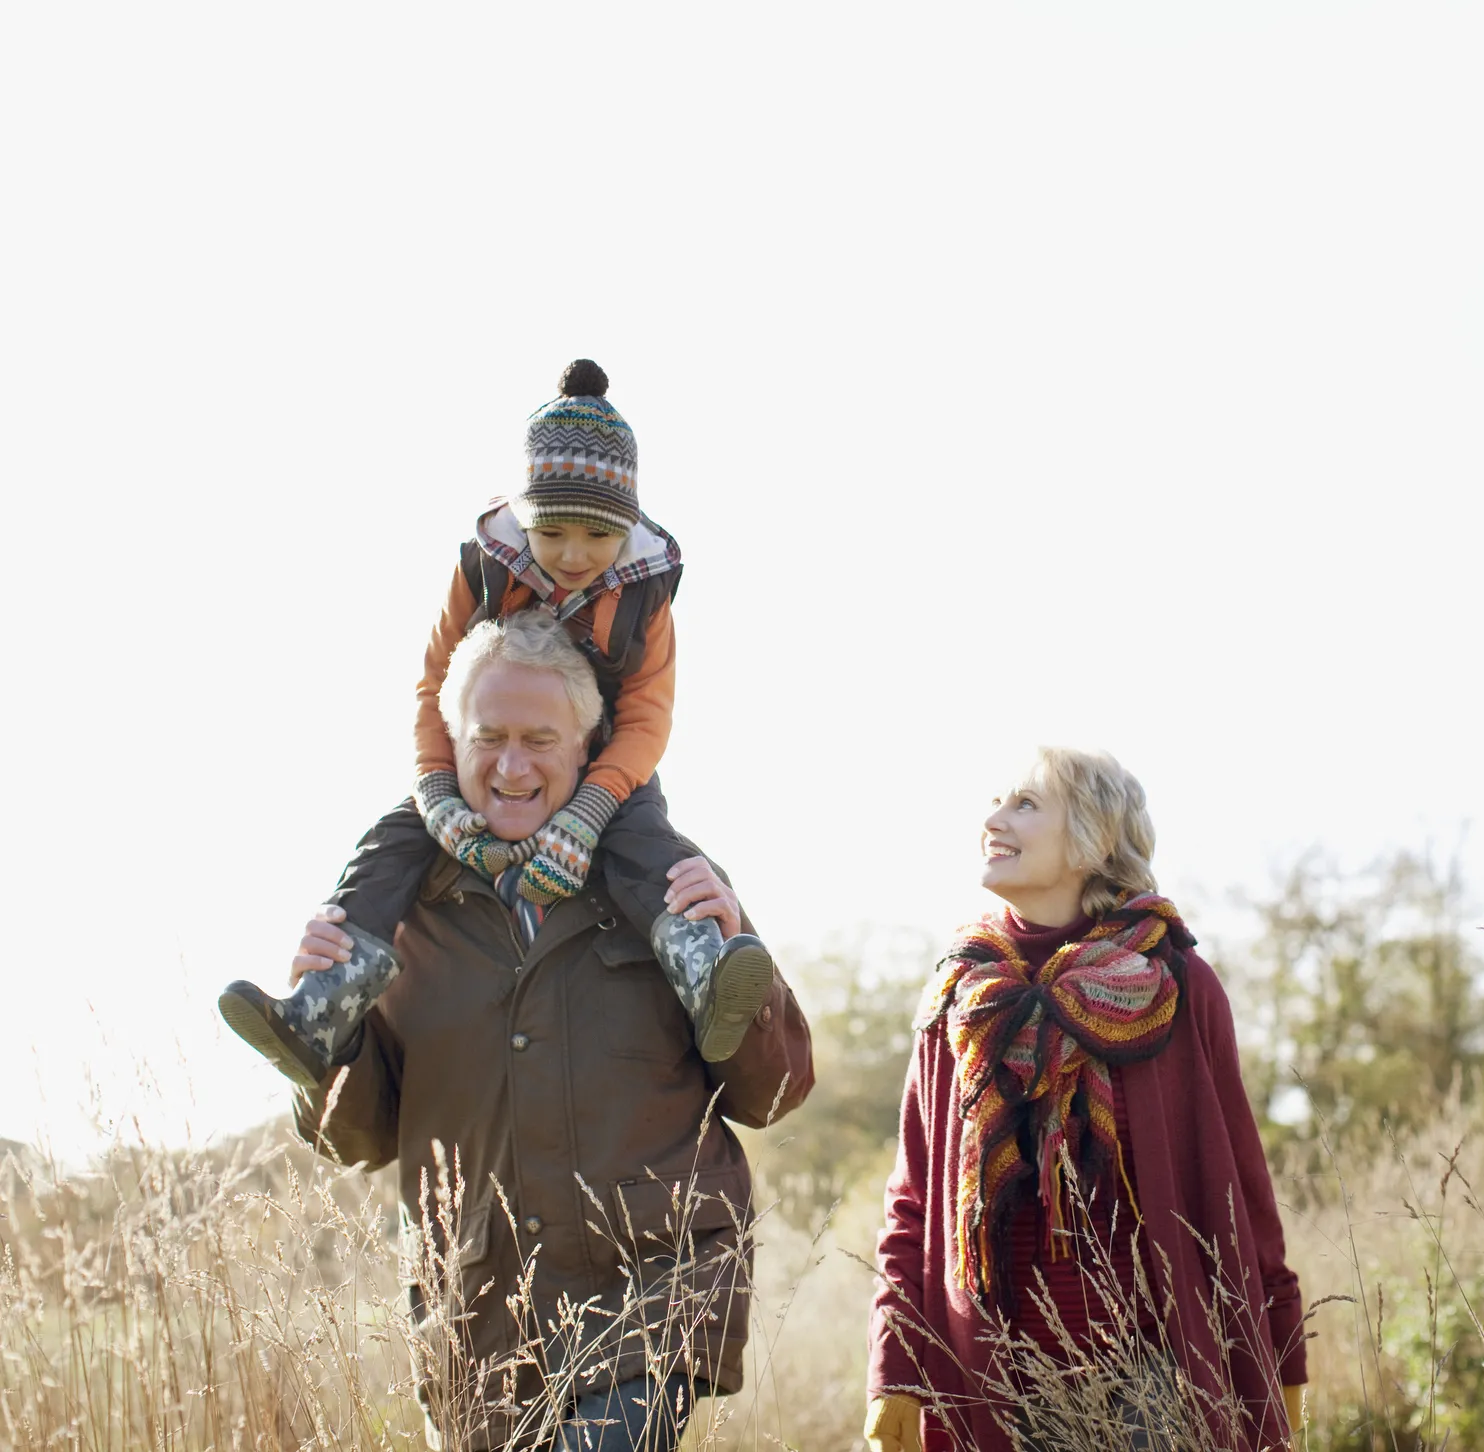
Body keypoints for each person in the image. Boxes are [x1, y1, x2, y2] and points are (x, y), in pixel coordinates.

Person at [291, 608, 813, 1450]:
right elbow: (357, 1139)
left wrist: (741, 958)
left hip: (650, 1300)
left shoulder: (668, 886)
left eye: (540, 738)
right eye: (488, 736)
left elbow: (775, 1093)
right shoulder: (397, 915)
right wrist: (327, 1033)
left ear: (589, 745)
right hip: (475, 1327)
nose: (510, 765)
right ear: (450, 742)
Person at [220, 359, 771, 1089]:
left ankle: (702, 971)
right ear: (526, 517)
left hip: (606, 769)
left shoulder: (646, 596)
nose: (574, 556)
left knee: (651, 850)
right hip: (468, 770)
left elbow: (647, 718)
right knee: (388, 848)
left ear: (629, 526)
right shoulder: (484, 569)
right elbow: (434, 687)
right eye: (554, 533)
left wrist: (594, 807)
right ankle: (321, 1006)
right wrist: (437, 789)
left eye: (597, 537)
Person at [865, 748, 1307, 1451]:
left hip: (1155, 1390)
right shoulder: (961, 998)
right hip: (993, 1385)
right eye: (995, 801)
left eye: (1025, 804)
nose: (992, 820)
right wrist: (895, 1364)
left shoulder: (1177, 985)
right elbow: (914, 1199)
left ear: (1096, 838)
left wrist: (1279, 1343)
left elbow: (1240, 1189)